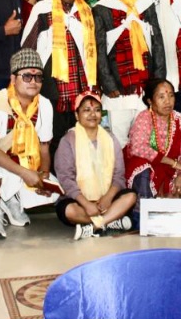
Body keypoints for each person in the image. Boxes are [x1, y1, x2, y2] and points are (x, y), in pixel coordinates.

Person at [0, 49, 56, 240]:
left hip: (22, 161)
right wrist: (25, 174)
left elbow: (44, 147)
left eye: (38, 77)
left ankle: (11, 199)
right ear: (13, 79)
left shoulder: (44, 105)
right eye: (27, 76)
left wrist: (43, 176)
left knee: (53, 192)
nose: (33, 82)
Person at [21, 0, 99, 152]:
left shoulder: (86, 11)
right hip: (51, 84)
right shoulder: (42, 9)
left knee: (79, 137)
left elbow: (93, 49)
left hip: (80, 83)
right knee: (52, 135)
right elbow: (27, 48)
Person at [93, 0, 166, 145]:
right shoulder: (102, 8)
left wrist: (158, 83)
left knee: (145, 144)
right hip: (118, 90)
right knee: (117, 144)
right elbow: (99, 49)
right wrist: (108, 84)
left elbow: (157, 44)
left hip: (144, 88)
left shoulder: (146, 5)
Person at [54, 91, 137, 240]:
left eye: (97, 110)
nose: (93, 114)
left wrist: (108, 198)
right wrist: (86, 204)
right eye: (87, 110)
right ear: (76, 115)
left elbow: (119, 175)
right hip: (79, 201)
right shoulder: (68, 140)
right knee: (69, 210)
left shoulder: (110, 138)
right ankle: (111, 220)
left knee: (131, 196)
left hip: (107, 199)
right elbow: (66, 179)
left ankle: (94, 226)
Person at [124, 78, 181, 202]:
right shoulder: (144, 117)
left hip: (170, 172)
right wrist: (173, 163)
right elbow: (138, 148)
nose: (168, 101)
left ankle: (165, 203)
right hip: (148, 170)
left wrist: (180, 174)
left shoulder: (180, 119)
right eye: (161, 97)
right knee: (142, 170)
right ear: (150, 101)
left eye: (171, 96)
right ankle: (144, 208)